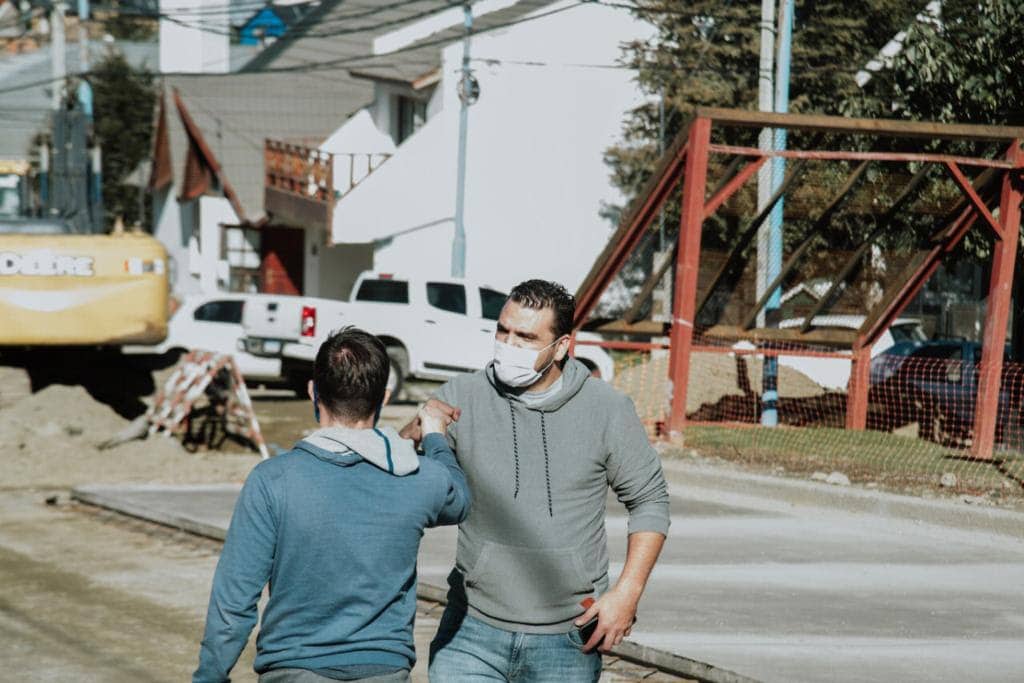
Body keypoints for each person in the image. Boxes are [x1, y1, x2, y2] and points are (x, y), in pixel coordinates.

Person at [401, 280, 670, 682]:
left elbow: (651, 501)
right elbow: (397, 470)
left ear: (561, 346)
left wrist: (627, 594)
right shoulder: (462, 396)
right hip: (471, 630)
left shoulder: (607, 409)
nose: (508, 344)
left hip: (568, 637)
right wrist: (418, 427)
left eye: (526, 337)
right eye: (503, 330)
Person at [193, 327, 470, 683]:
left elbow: (233, 602)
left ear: (312, 391)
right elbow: (459, 498)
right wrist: (432, 434)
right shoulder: (419, 478)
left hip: (293, 669)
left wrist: (210, 676)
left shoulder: (272, 480)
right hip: (384, 669)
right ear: (384, 397)